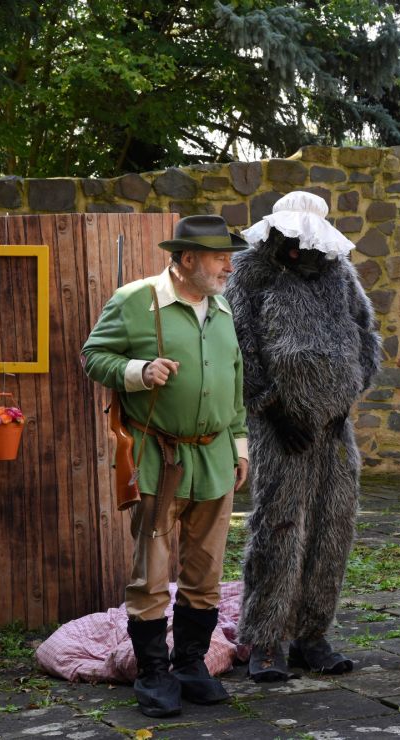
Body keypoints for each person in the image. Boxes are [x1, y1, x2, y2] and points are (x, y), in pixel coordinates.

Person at [81, 214, 250, 717]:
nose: (229, 265)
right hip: (160, 460)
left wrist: (239, 447)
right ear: (187, 258)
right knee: (152, 573)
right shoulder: (136, 300)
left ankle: (190, 665)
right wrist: (138, 371)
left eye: (230, 255)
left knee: (206, 572)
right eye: (220, 256)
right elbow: (94, 356)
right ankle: (154, 672)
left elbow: (235, 382)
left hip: (216, 459)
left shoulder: (222, 308)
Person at [224, 191, 381, 682]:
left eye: (303, 241)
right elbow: (238, 344)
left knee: (333, 527)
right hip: (278, 430)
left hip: (334, 431)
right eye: (287, 240)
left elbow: (366, 337)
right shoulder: (252, 272)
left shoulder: (339, 275)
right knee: (279, 529)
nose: (295, 250)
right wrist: (271, 405)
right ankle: (266, 640)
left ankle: (313, 634)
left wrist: (345, 402)